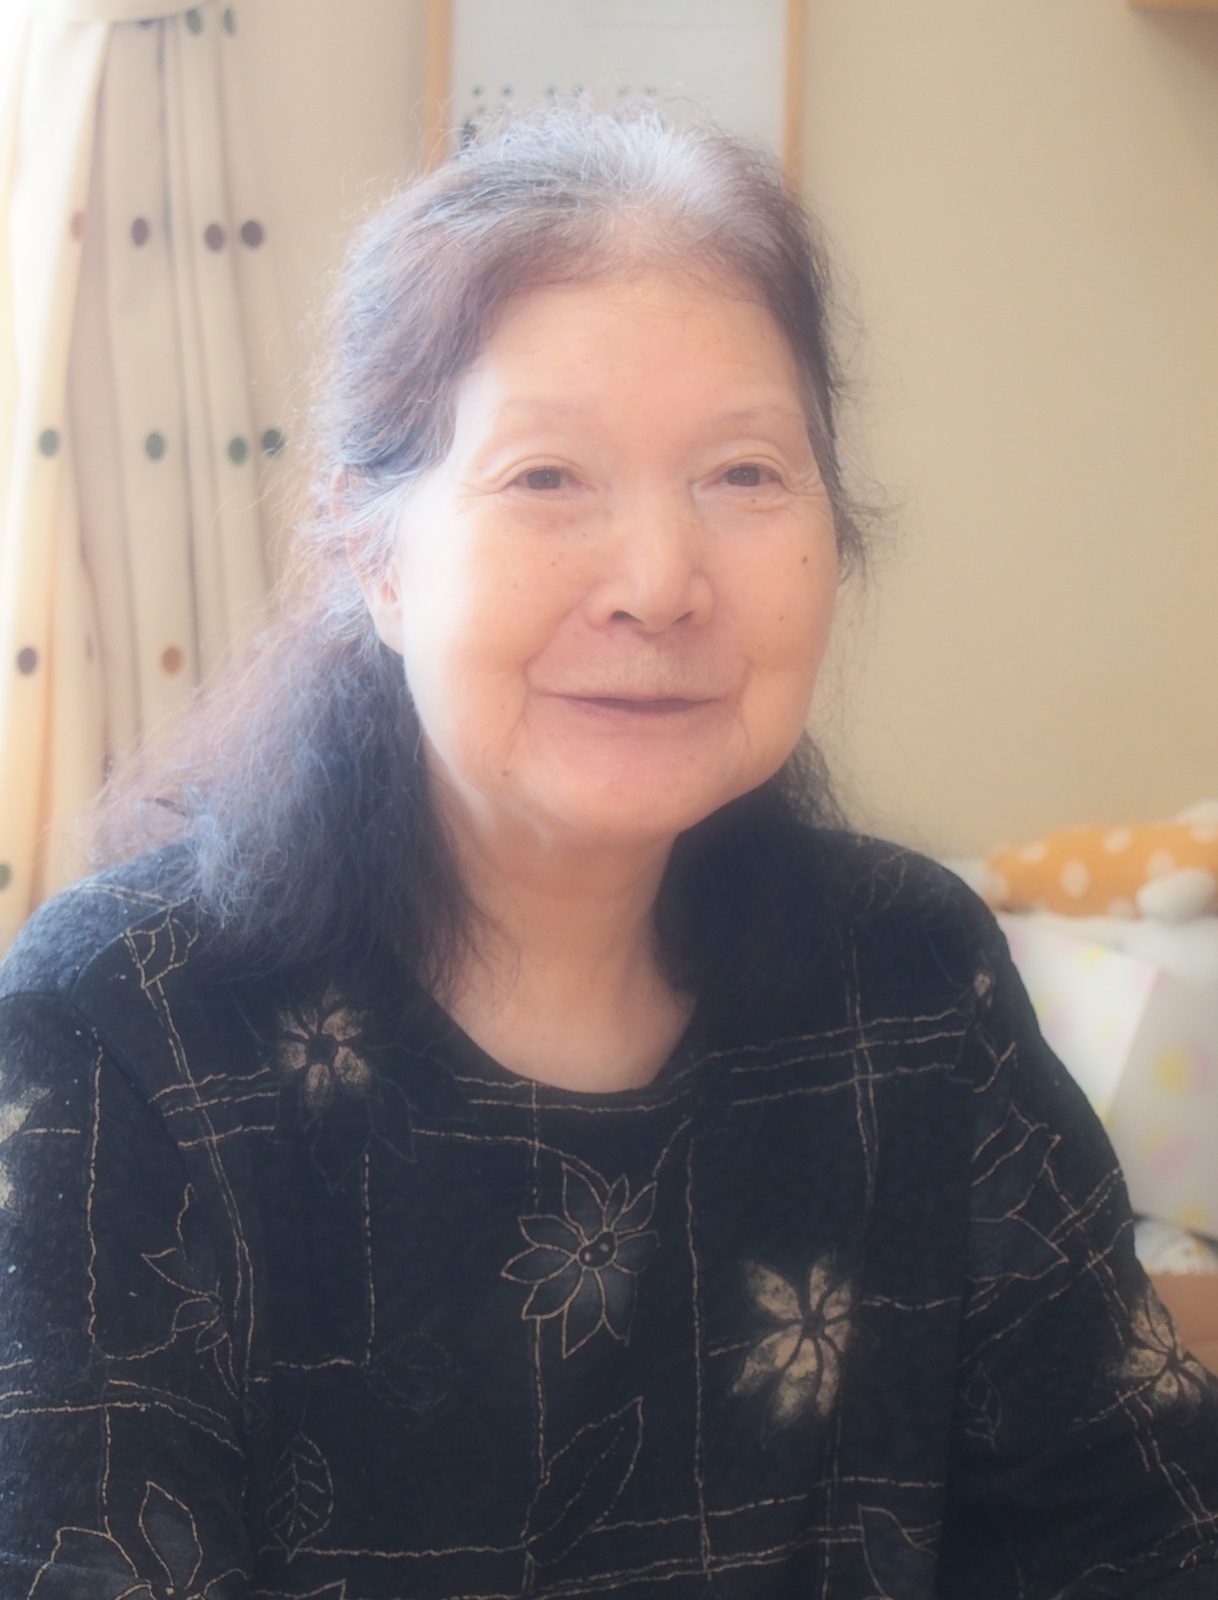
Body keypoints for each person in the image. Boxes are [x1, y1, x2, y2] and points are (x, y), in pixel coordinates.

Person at [0, 103, 1215, 1600]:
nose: (658, 581)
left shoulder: (910, 978)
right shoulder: (124, 1027)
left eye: (744, 475)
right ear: (373, 554)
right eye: (546, 477)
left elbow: (1137, 1525)